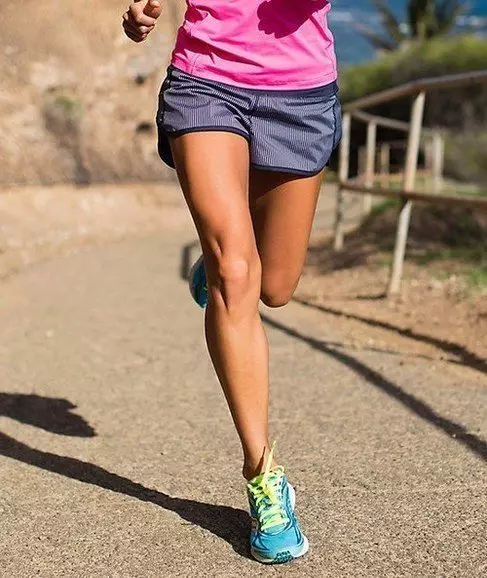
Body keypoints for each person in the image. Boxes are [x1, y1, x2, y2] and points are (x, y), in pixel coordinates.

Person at [122, 0, 341, 564]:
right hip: (206, 78)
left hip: (301, 90)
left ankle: (222, 260)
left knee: (275, 286)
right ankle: (263, 474)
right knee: (238, 273)